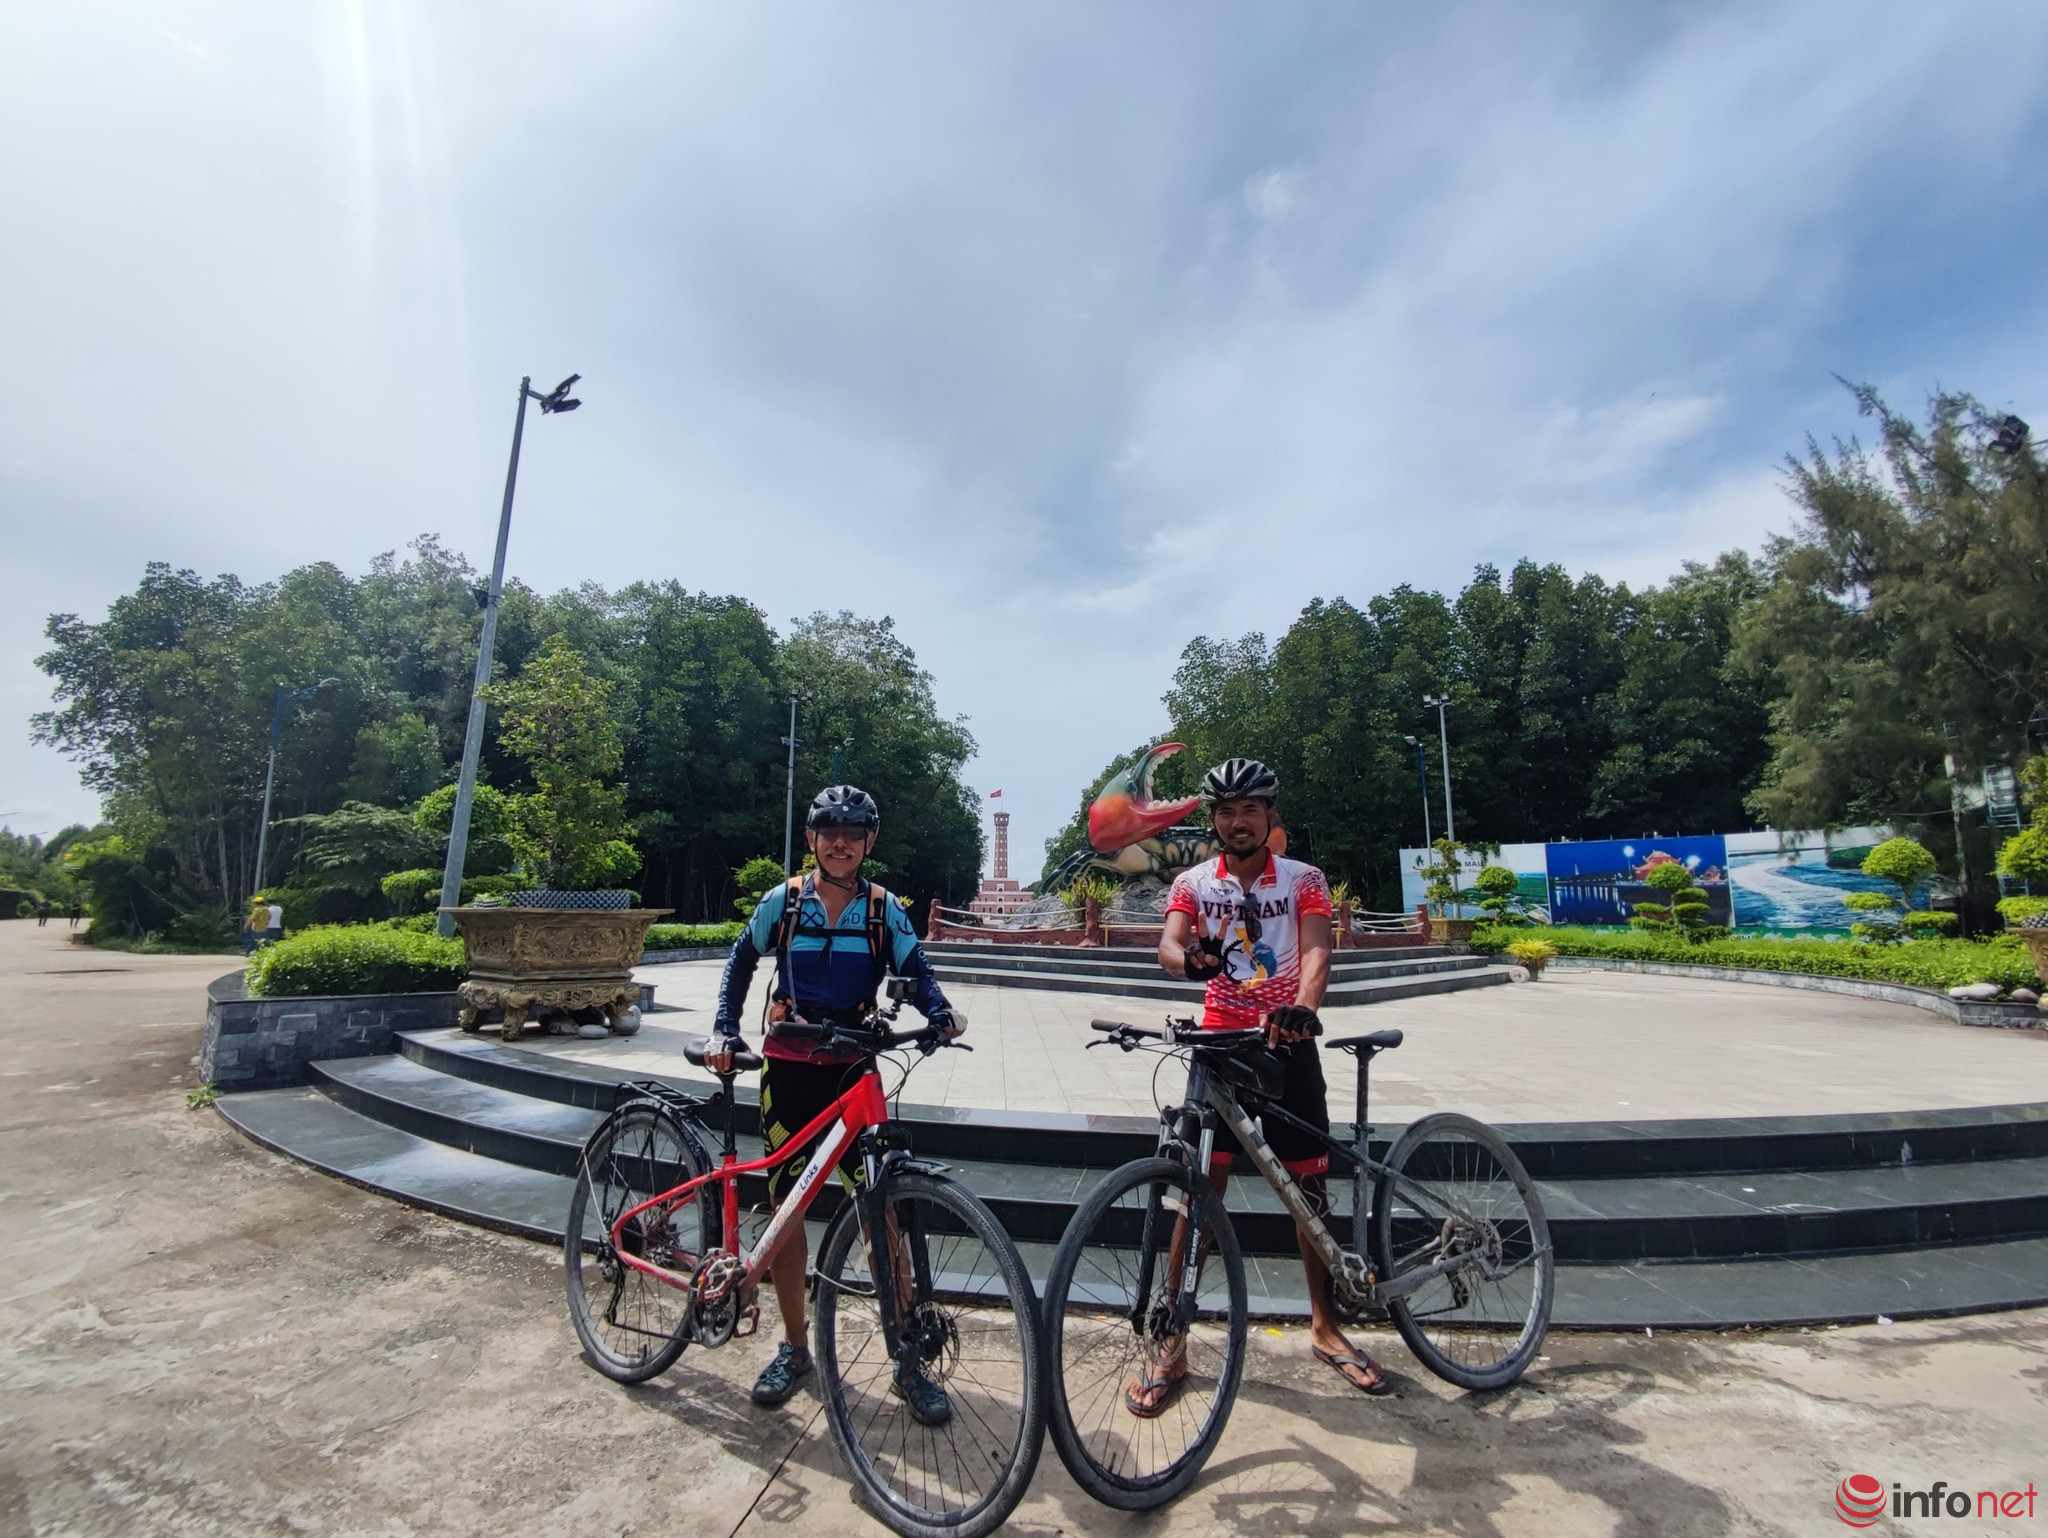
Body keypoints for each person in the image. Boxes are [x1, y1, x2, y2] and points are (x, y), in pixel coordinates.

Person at [1139, 755, 1391, 1411]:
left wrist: (1304, 1007)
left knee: (1309, 1192)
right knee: (1197, 1197)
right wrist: (1188, 961)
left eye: (1250, 809)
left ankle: (1326, 1327)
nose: (1238, 821)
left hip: (1287, 1044)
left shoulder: (1304, 879)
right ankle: (1172, 1343)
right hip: (1220, 1048)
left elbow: (1316, 948)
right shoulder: (1194, 882)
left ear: (1269, 815)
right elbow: (1168, 946)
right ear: (1215, 821)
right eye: (1226, 811)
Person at [707, 784, 965, 1421]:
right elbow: (741, 959)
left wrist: (940, 1012)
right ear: (812, 839)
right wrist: (724, 1029)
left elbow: (918, 969)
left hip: (853, 1067)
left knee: (882, 1213)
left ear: (869, 842)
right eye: (829, 831)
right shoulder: (785, 901)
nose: (841, 843)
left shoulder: (883, 910)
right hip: (789, 1069)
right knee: (787, 1210)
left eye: (853, 833)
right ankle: (795, 1348)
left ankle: (907, 1358)